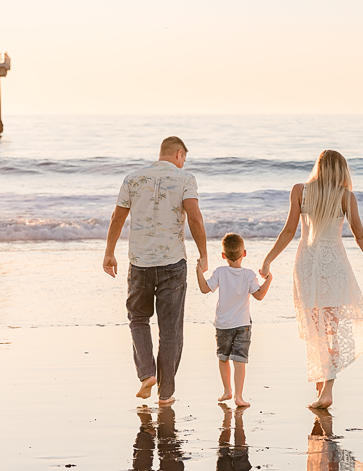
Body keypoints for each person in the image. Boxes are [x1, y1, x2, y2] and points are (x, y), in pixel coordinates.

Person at [260, 149, 363, 409]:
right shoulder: (346, 197)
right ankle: (326, 388)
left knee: (316, 328)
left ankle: (323, 388)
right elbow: (361, 237)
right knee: (330, 328)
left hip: (307, 262)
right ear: (341, 170)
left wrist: (268, 260)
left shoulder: (300, 190)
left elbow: (289, 231)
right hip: (334, 264)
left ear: (318, 167)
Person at [102, 136, 208, 406]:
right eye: (183, 158)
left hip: (140, 263)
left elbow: (117, 217)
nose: (183, 163)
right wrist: (204, 254)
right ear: (178, 154)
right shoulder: (185, 179)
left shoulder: (133, 178)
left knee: (138, 319)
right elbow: (194, 217)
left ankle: (147, 374)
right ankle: (166, 393)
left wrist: (109, 252)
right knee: (170, 329)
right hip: (172, 263)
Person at [196, 232, 272, 407]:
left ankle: (227, 391)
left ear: (223, 256)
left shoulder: (220, 272)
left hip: (222, 325)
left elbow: (204, 288)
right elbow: (259, 296)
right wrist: (269, 279)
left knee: (223, 358)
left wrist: (199, 271)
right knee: (239, 360)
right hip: (243, 325)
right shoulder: (248, 274)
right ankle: (238, 396)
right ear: (244, 253)